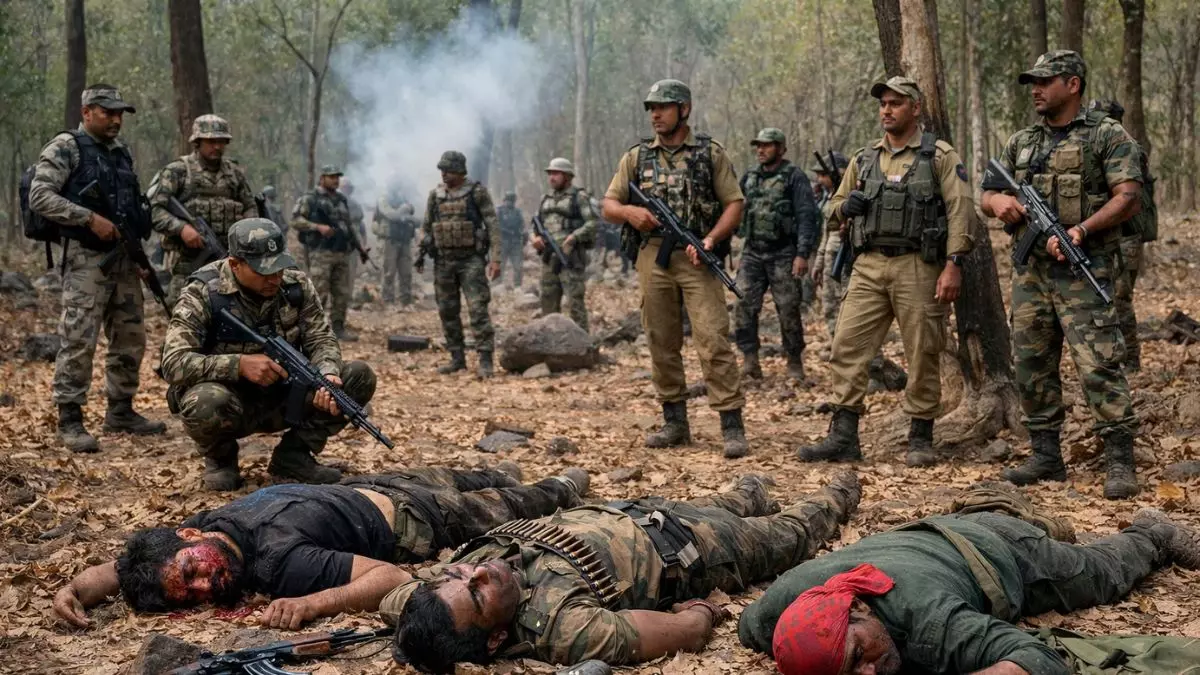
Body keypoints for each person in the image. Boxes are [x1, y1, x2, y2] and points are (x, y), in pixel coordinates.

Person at [384, 471, 861, 673]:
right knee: (792, 532)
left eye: (455, 575)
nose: (476, 573)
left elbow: (390, 595)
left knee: (738, 498)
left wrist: (409, 642)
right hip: (698, 548)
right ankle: (842, 490)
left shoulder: (431, 600)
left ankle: (751, 490)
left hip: (637, 511)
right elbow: (687, 631)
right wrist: (703, 608)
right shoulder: (565, 629)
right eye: (477, 594)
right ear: (494, 639)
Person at [53, 464, 591, 631]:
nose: (204, 584)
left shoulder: (199, 528)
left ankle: (498, 469)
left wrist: (76, 588)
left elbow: (127, 565)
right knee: (516, 501)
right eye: (193, 593)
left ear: (188, 535)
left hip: (371, 484)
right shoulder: (282, 567)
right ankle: (563, 486)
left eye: (193, 570)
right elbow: (391, 577)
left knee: (470, 473)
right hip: (418, 520)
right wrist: (313, 604)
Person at [738, 486, 1200, 675]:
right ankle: (1008, 508)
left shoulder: (929, 620)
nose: (868, 673)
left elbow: (1037, 658)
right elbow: (737, 620)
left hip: (1002, 551)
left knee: (1099, 575)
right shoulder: (772, 619)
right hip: (920, 539)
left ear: (859, 607)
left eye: (859, 655)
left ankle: (1152, 534)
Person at [981, 51, 1144, 499]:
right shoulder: (1022, 142)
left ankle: (1119, 458)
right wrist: (1000, 204)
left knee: (1099, 362)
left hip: (1083, 267)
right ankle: (1045, 455)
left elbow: (1128, 196)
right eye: (1032, 82)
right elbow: (988, 193)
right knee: (1031, 361)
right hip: (1031, 274)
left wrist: (1081, 230)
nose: (1035, 89)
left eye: (1045, 81)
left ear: (1073, 85)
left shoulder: (1106, 135)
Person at [797, 76, 974, 468]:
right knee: (846, 344)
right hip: (869, 265)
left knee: (923, 351)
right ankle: (844, 435)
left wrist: (954, 264)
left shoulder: (939, 156)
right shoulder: (865, 159)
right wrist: (846, 208)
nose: (887, 110)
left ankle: (921, 436)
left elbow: (961, 211)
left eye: (896, 103)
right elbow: (832, 209)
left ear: (916, 108)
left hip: (919, 265)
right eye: (883, 104)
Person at [161, 218, 371, 490]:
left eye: (279, 268)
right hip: (230, 402)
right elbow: (173, 363)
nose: (275, 278)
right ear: (235, 264)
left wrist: (328, 373)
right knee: (204, 401)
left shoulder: (296, 285)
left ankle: (293, 456)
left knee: (358, 376)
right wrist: (238, 365)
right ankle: (221, 459)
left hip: (285, 394)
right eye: (264, 271)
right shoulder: (202, 292)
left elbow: (321, 338)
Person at [600, 79, 749, 458]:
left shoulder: (709, 153)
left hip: (697, 253)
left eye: (663, 107)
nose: (655, 115)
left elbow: (734, 204)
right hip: (654, 255)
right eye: (651, 108)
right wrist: (630, 213)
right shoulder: (637, 157)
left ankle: (731, 424)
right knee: (661, 339)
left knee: (713, 337)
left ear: (684, 109)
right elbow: (609, 206)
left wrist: (711, 239)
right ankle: (675, 421)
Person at [27, 84, 166, 453]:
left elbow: (130, 208)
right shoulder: (66, 147)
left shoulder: (121, 152)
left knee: (131, 336)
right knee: (79, 336)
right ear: (87, 112)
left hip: (123, 258)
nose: (116, 119)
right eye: (108, 112)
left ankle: (120, 410)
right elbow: (40, 196)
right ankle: (70, 418)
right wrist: (88, 218)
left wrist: (139, 258)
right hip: (86, 258)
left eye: (120, 113)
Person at [733, 128, 820, 382]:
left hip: (783, 252)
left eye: (767, 145)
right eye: (758, 146)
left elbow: (807, 216)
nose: (761, 150)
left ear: (781, 149)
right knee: (743, 303)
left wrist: (802, 254)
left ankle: (794, 360)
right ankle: (750, 360)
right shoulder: (750, 177)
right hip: (753, 251)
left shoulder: (794, 176)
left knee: (788, 307)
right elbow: (735, 208)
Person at [148, 114, 257, 309]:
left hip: (228, 262)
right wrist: (181, 228)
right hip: (188, 263)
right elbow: (154, 209)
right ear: (197, 142)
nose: (217, 146)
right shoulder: (178, 171)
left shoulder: (234, 174)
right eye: (211, 141)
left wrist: (247, 235)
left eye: (221, 141)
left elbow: (250, 207)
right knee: (185, 317)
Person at [417, 150, 502, 378]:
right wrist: (423, 246)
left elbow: (492, 225)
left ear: (460, 171)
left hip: (470, 260)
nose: (444, 174)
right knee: (447, 310)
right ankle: (457, 358)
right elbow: (426, 226)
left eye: (449, 170)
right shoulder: (436, 196)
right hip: (444, 261)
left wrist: (496, 259)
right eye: (442, 170)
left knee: (477, 309)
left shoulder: (477, 193)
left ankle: (485, 359)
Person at [1088, 98, 1158, 374]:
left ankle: (1130, 359)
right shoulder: (1100, 147)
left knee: (1120, 296)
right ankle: (1110, 356)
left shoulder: (1127, 148)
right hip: (1108, 232)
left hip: (1127, 234)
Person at [291, 165, 364, 342]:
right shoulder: (310, 198)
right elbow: (296, 220)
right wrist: (317, 227)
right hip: (321, 252)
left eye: (337, 177)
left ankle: (338, 328)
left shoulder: (341, 199)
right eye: (331, 177)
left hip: (342, 252)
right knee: (319, 292)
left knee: (342, 294)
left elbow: (349, 225)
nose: (335, 180)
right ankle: (314, 331)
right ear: (322, 178)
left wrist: (360, 247)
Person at [534, 157, 599, 332]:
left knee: (574, 302)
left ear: (568, 176)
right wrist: (535, 239)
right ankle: (550, 340)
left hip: (570, 258)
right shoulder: (545, 199)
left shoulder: (579, 197)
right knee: (547, 300)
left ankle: (582, 341)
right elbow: (537, 224)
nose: (552, 177)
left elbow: (593, 223)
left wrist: (574, 237)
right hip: (549, 258)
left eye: (556, 173)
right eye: (550, 173)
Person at [809, 151, 851, 343]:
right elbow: (826, 234)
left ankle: (851, 348)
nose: (820, 179)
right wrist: (819, 263)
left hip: (846, 258)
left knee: (847, 306)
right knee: (829, 304)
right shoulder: (829, 197)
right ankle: (837, 344)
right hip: (830, 257)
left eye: (823, 175)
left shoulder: (852, 194)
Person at [373, 187, 417, 305]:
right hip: (389, 240)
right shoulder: (383, 198)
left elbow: (412, 210)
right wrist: (404, 210)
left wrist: (406, 212)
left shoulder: (403, 197)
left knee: (406, 272)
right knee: (389, 273)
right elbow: (392, 215)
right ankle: (388, 301)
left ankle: (406, 301)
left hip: (404, 239)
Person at [339, 176, 368, 294]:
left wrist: (363, 245)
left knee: (350, 272)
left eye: (347, 188)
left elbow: (361, 226)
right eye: (343, 188)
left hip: (351, 245)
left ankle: (347, 297)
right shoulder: (330, 203)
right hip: (334, 246)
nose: (345, 190)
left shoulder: (355, 205)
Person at [496, 191, 526, 289]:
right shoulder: (499, 211)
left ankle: (517, 285)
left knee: (518, 265)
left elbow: (522, 225)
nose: (509, 203)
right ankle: (497, 285)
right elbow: (495, 226)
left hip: (515, 242)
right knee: (500, 265)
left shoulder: (517, 212)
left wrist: (523, 234)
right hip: (502, 241)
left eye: (511, 201)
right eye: (508, 200)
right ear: (504, 200)